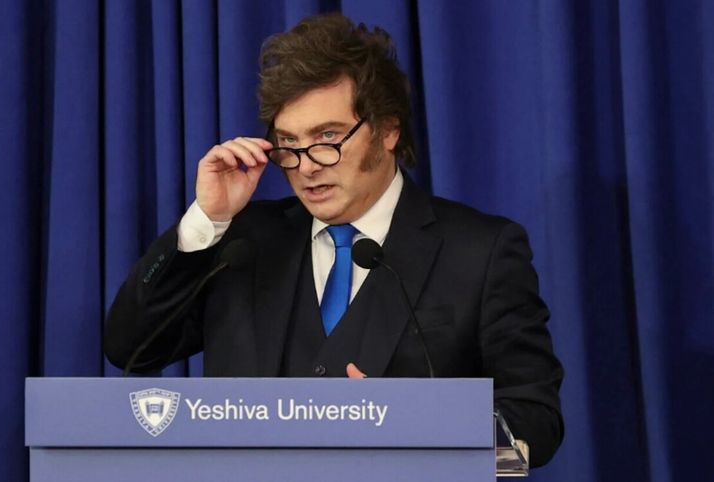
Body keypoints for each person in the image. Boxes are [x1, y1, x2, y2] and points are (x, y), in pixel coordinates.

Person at [104, 13, 563, 467]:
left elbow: (535, 417)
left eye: (327, 137)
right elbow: (131, 348)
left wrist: (418, 422)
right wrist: (207, 219)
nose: (306, 166)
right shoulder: (242, 241)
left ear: (387, 130)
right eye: (289, 143)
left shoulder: (481, 251)